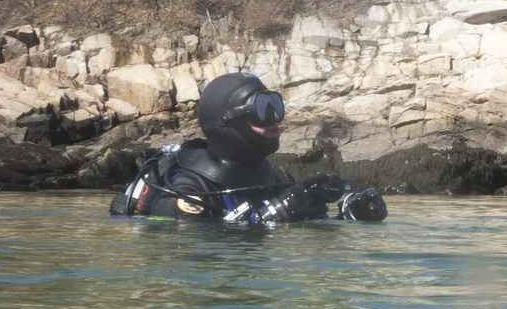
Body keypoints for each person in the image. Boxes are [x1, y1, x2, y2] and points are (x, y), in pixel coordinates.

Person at [109, 72, 387, 223]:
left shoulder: (268, 176)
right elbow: (193, 251)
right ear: (228, 122)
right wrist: (279, 211)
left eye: (276, 106)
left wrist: (348, 216)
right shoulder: (187, 187)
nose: (275, 119)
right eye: (262, 109)